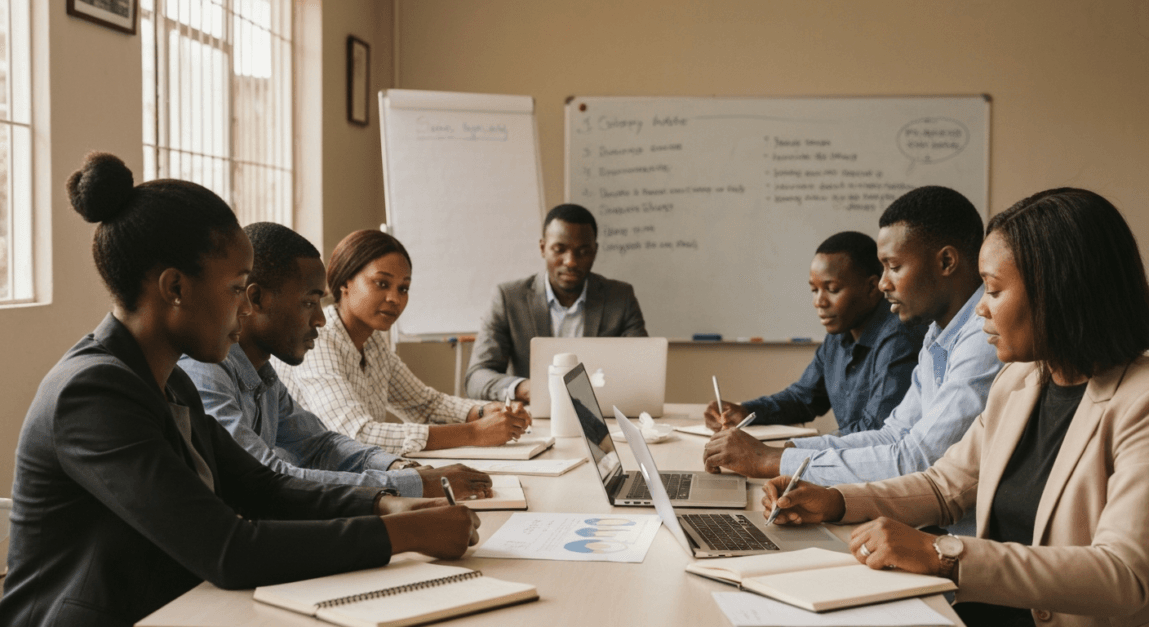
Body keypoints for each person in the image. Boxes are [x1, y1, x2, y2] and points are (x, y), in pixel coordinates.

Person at [0, 154, 478, 627]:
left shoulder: (170, 380)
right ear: (175, 288)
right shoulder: (93, 393)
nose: (243, 310)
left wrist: (383, 503)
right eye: (235, 289)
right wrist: (399, 533)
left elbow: (261, 487)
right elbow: (227, 550)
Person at [762, 188, 1149, 627]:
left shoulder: (1140, 402)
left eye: (995, 289)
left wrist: (943, 555)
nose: (980, 307)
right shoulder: (1020, 382)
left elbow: (1124, 575)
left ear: (1059, 292)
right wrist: (835, 501)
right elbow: (944, 485)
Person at [704, 187, 1001, 535]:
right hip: (922, 524)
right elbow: (894, 434)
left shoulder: (985, 336)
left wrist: (771, 460)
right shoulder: (938, 333)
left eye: (893, 267)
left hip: (957, 539)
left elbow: (918, 458)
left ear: (947, 262)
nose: (884, 284)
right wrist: (782, 451)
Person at [181, 222, 493, 499]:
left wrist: (401, 466)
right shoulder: (205, 371)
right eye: (308, 302)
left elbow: (320, 445)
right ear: (256, 298)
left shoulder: (264, 373)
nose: (319, 318)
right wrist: (412, 484)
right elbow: (266, 476)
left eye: (403, 288)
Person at [276, 229, 532, 455]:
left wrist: (487, 411)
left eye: (403, 288)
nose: (394, 299)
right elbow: (356, 435)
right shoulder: (319, 340)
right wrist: (474, 432)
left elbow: (424, 404)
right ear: (345, 281)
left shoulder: (373, 341)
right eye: (381, 283)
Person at [704, 231, 925, 444]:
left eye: (832, 289)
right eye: (814, 290)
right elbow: (803, 399)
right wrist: (745, 411)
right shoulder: (839, 334)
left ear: (871, 287)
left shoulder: (898, 338)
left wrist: (787, 451)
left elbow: (874, 432)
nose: (819, 302)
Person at [465, 203, 648, 402]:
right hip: (533, 419)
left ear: (595, 251)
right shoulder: (509, 298)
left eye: (583, 251)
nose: (571, 261)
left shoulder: (620, 298)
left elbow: (641, 371)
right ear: (543, 248)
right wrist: (526, 388)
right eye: (559, 249)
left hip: (603, 414)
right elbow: (477, 377)